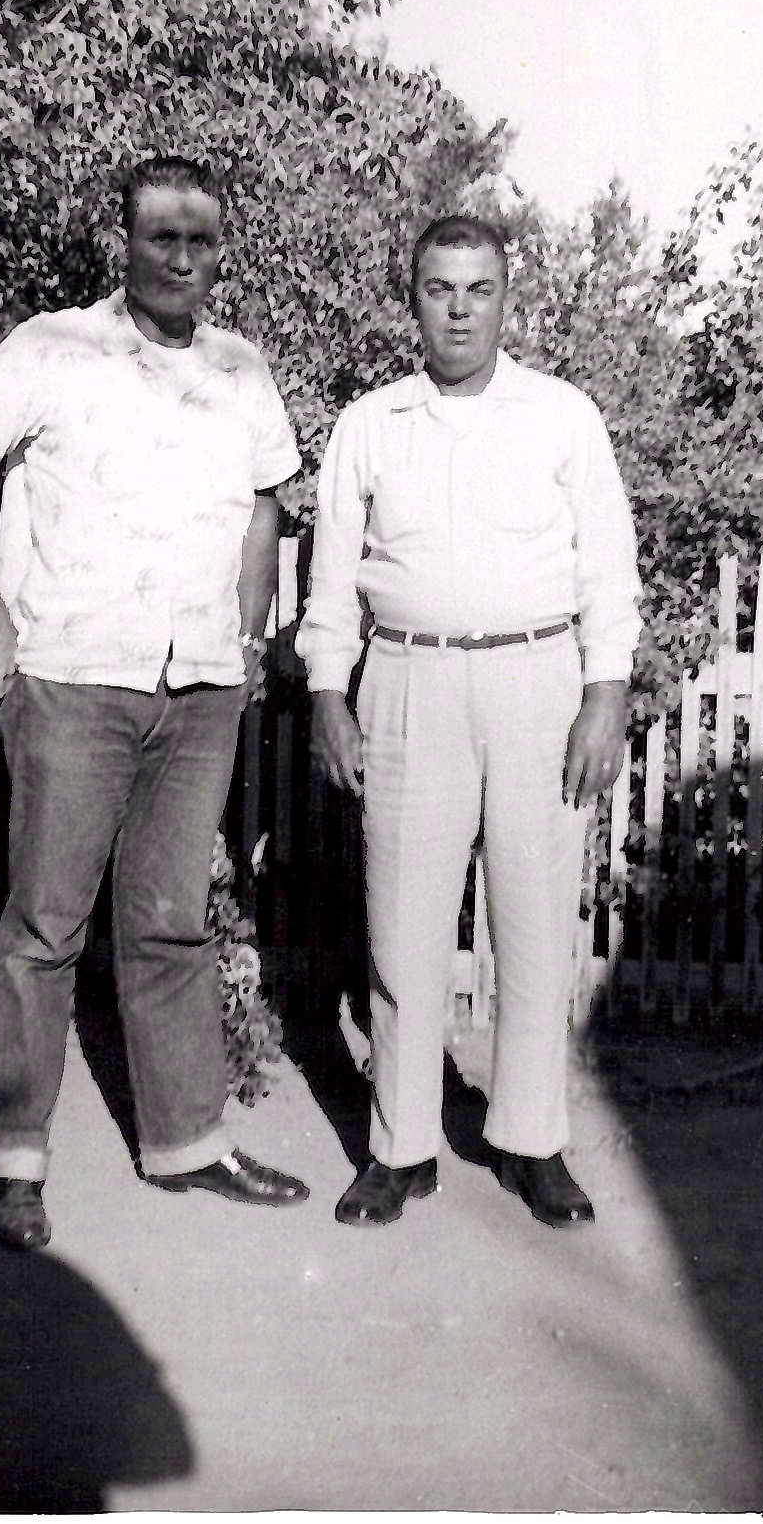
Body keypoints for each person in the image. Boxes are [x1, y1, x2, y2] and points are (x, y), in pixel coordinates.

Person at [0, 156, 309, 1250]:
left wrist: (248, 635)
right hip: (73, 682)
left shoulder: (241, 369)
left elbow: (264, 505)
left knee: (170, 924)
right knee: (43, 932)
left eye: (200, 241)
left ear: (220, 251)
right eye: (161, 237)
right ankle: (12, 1166)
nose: (182, 259)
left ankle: (185, 1143)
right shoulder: (50, 349)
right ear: (120, 242)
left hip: (200, 690)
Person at [296, 216, 642, 1229]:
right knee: (402, 927)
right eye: (438, 288)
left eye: (477, 289)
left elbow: (607, 567)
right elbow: (330, 580)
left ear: (504, 300)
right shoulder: (370, 424)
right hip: (409, 682)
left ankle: (529, 1140)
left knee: (533, 921)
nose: (458, 310)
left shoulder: (562, 416)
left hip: (538, 681)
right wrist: (327, 692)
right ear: (412, 299)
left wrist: (604, 693)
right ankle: (399, 1149)